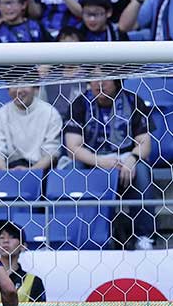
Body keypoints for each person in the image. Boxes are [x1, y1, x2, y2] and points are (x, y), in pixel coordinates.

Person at [63, 78, 156, 249]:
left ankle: (144, 236)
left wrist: (132, 159)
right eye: (94, 80)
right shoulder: (79, 103)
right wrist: (99, 161)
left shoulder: (133, 101)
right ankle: (74, 233)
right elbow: (72, 148)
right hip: (92, 159)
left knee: (142, 171)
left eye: (105, 79)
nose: (99, 84)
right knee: (72, 169)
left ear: (116, 81)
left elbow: (145, 143)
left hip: (125, 158)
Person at [0, 84, 61, 170]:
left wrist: (31, 171)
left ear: (35, 88)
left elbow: (52, 153)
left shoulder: (50, 113)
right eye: (14, 84)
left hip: (41, 171)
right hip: (8, 171)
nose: (19, 91)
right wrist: (6, 171)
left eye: (24, 85)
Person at [0, 219, 47, 302]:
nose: (6, 241)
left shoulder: (33, 281)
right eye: (1, 237)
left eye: (12, 237)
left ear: (23, 246)